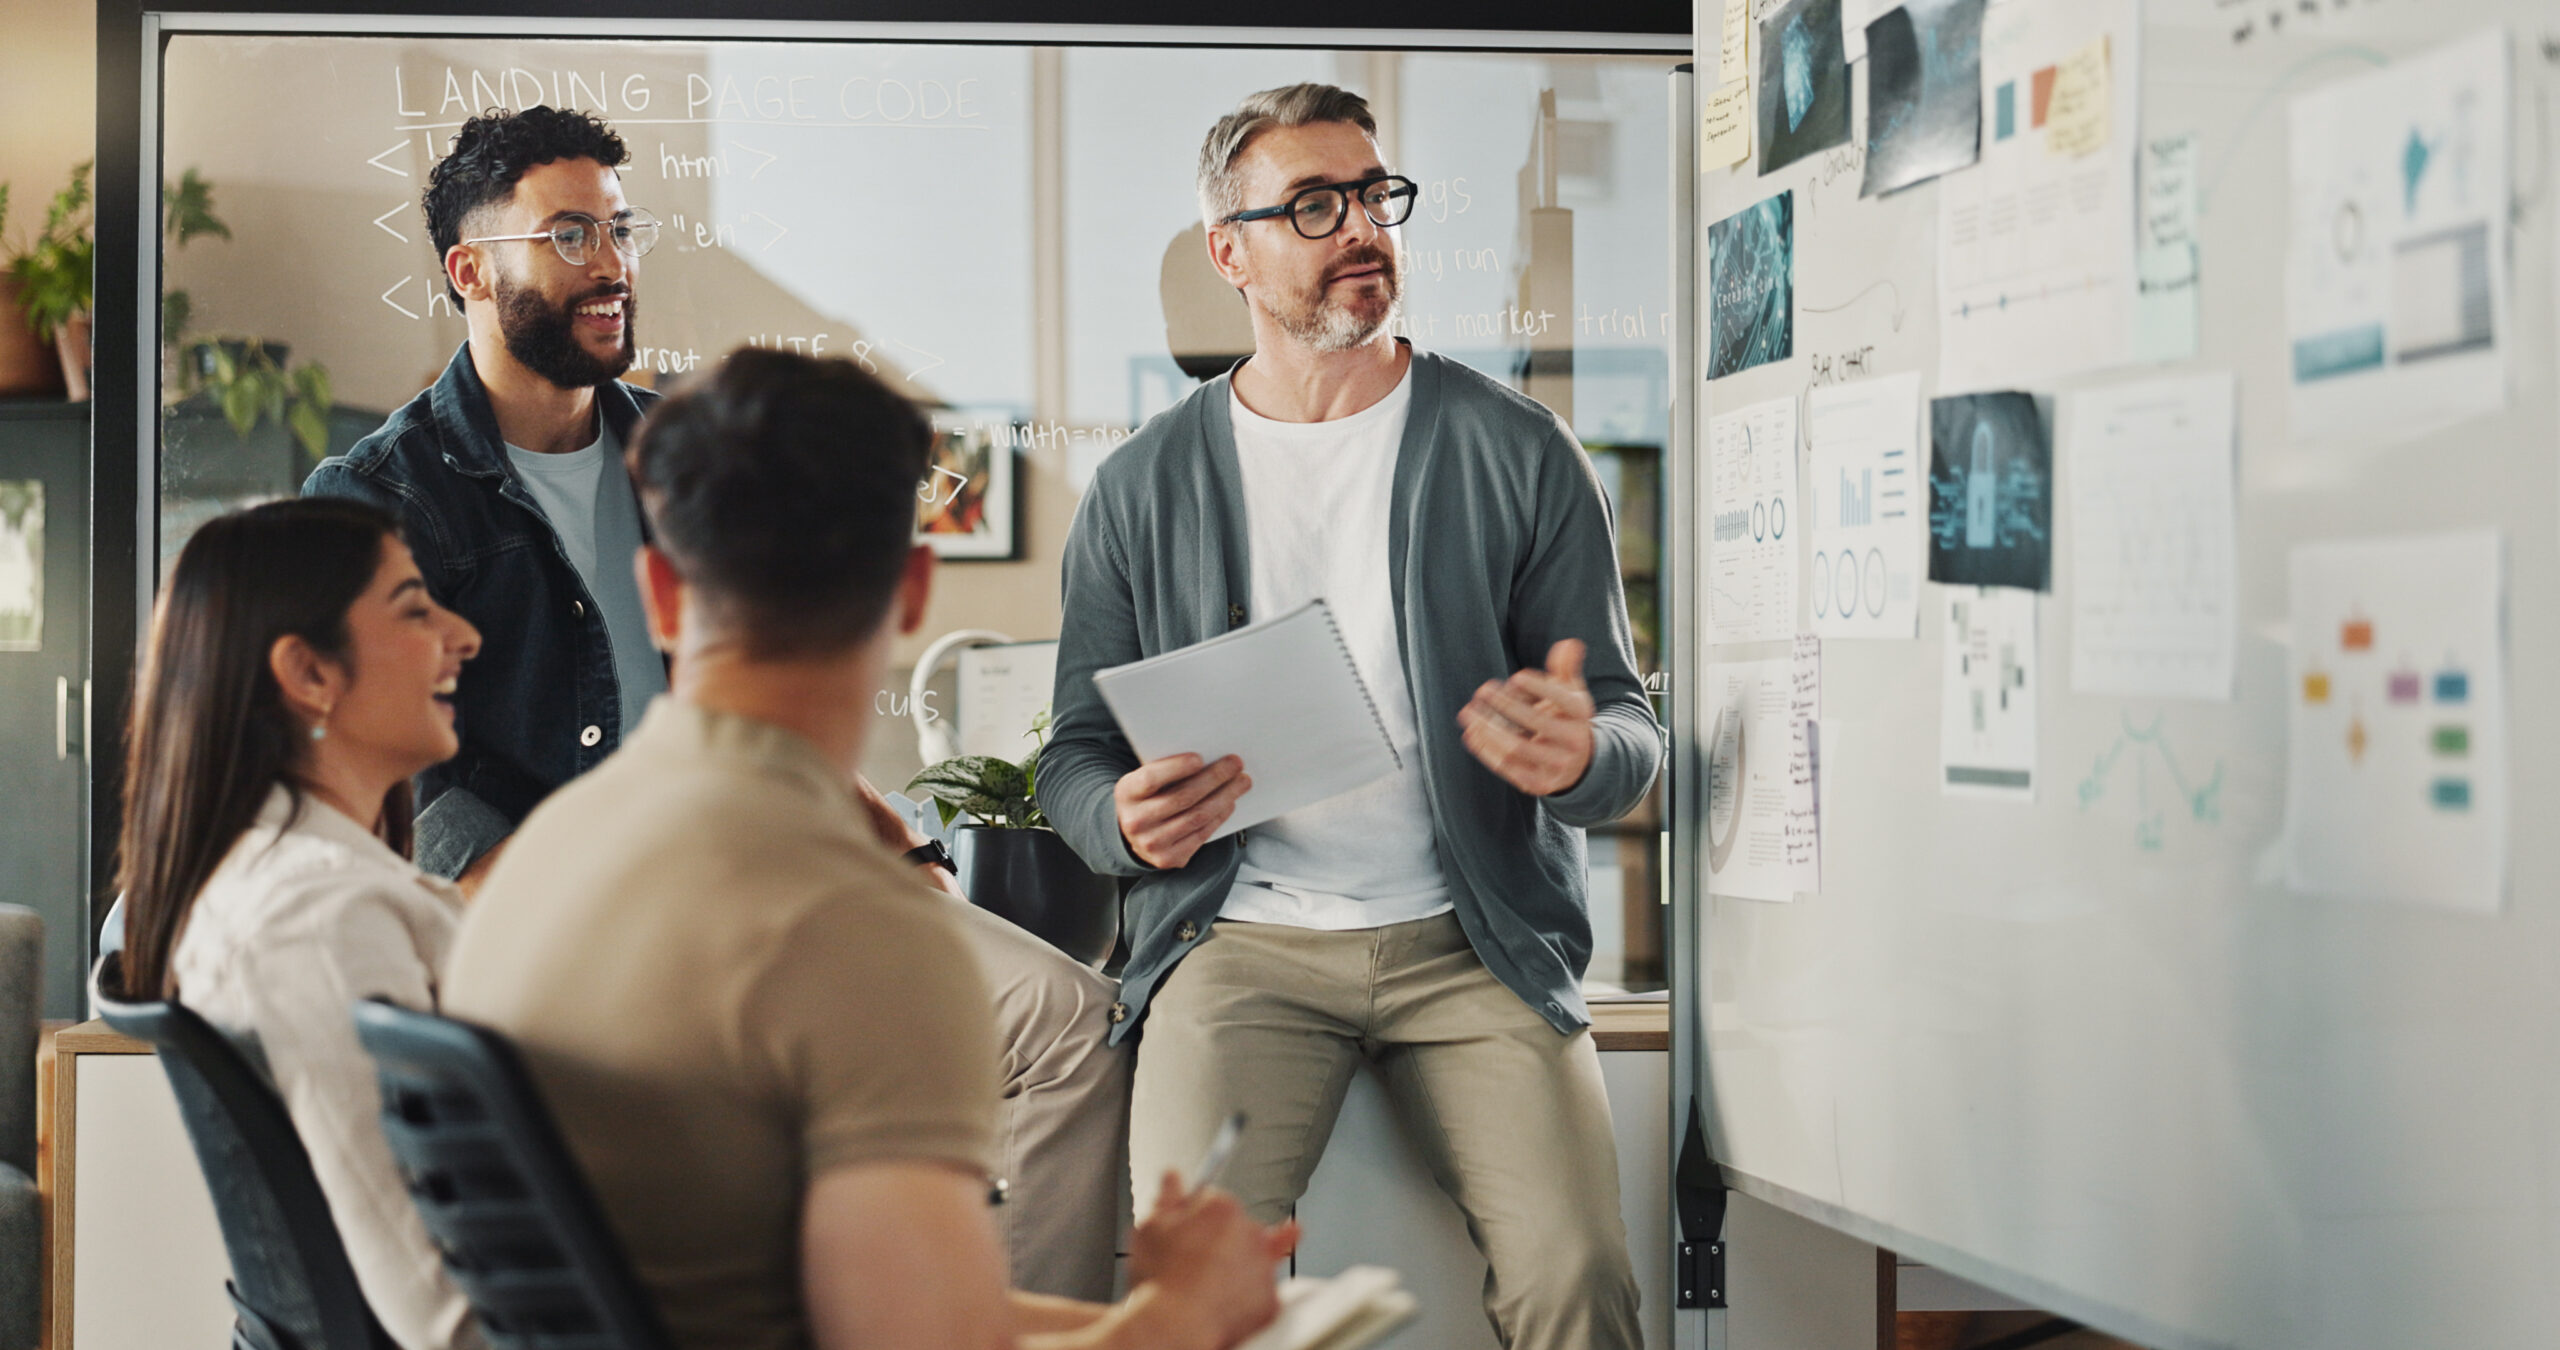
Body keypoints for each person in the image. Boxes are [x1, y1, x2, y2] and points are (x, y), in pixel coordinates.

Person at [305, 105, 1127, 1299]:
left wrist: (890, 850)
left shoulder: (675, 453)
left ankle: (1010, 1301)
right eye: (571, 234)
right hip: (573, 900)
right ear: (469, 270)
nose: (612, 263)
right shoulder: (386, 494)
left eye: (621, 230)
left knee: (1070, 1019)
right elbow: (406, 771)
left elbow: (758, 687)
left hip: (767, 852)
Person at [442, 348, 1295, 1350]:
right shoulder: (861, 937)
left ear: (660, 594)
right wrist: (1182, 1318)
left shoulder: (541, 858)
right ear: (912, 590)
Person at [1041, 83, 1664, 1349]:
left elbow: (1628, 729)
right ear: (1232, 252)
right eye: (1313, 205)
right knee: (1181, 1310)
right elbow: (1072, 760)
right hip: (1239, 950)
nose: (1360, 228)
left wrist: (1581, 756)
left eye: (1375, 196)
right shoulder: (1140, 486)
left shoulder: (1517, 450)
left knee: (1580, 1278)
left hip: (1472, 950)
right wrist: (1122, 819)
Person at [106, 498, 487, 1350]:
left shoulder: (278, 880)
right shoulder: (319, 923)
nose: (464, 637)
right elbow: (439, 1313)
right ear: (309, 674)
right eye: (416, 608)